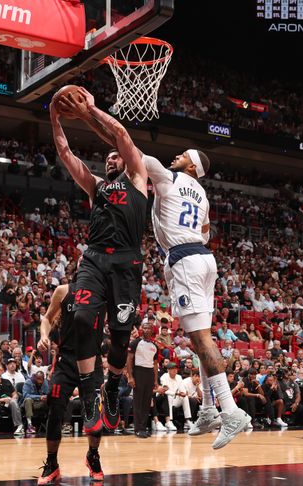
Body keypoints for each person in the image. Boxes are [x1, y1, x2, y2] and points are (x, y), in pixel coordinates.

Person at [71, 86, 250, 448]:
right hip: (204, 258)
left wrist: (89, 113)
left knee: (200, 339)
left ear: (191, 166)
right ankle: (208, 411)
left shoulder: (167, 177)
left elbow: (123, 143)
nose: (177, 156)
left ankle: (230, 411)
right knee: (201, 337)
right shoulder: (202, 195)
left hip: (184, 259)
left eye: (183, 155)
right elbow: (206, 231)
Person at [50, 88, 150, 436]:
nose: (111, 159)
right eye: (107, 158)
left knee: (121, 338)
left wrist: (91, 110)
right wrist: (55, 117)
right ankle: (92, 398)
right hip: (93, 259)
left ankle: (111, 389)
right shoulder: (96, 188)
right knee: (79, 317)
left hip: (126, 264)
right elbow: (65, 153)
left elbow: (121, 135)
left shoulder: (139, 179)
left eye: (115, 157)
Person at [36, 282, 105, 486]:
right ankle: (52, 463)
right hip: (66, 360)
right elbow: (47, 319)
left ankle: (93, 456)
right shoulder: (64, 291)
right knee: (55, 408)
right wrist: (43, 336)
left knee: (93, 412)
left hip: (92, 360)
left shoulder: (103, 290)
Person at [128, 324, 159, 438]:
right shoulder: (135, 343)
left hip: (149, 373)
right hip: (138, 371)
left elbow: (155, 364)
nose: (146, 329)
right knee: (138, 401)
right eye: (144, 328)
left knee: (147, 402)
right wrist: (130, 377)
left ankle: (143, 427)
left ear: (152, 330)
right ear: (141, 330)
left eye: (148, 328)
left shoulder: (155, 346)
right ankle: (138, 429)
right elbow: (129, 359)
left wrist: (155, 380)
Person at [0, 361, 24, 437]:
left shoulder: (7, 382)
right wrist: (4, 400)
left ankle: (19, 426)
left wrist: (12, 399)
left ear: (2, 372)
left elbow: (14, 394)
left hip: (9, 403)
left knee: (13, 401)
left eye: (0, 370)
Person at [21, 371, 50, 436]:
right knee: (28, 400)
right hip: (29, 403)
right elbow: (25, 395)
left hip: (40, 404)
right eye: (38, 379)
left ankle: (53, 424)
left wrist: (46, 397)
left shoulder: (45, 382)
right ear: (35, 378)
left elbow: (47, 393)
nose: (40, 381)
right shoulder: (28, 382)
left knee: (51, 401)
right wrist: (39, 397)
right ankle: (29, 425)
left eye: (41, 379)